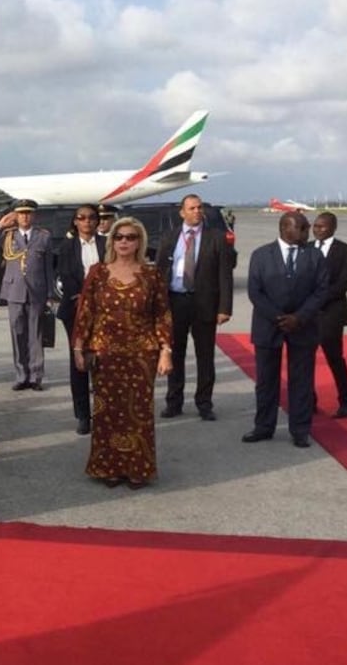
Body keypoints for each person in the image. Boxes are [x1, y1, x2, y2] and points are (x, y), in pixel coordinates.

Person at [72, 217, 172, 489]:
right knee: (107, 412)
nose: (124, 241)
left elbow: (161, 314)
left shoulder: (151, 275)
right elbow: (86, 313)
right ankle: (109, 468)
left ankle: (137, 469)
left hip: (142, 354)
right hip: (105, 353)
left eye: (130, 237)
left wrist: (166, 350)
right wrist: (80, 348)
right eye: (119, 237)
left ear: (140, 241)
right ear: (112, 240)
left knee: (138, 412)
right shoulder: (98, 272)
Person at [242, 211, 329, 448]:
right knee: (266, 380)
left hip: (303, 326)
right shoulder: (261, 255)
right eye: (302, 228)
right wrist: (278, 317)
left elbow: (321, 290)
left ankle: (300, 429)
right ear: (285, 228)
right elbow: (255, 291)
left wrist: (298, 318)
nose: (307, 232)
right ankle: (264, 426)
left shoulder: (314, 256)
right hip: (268, 325)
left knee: (301, 380)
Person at [155, 194, 234, 421]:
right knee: (174, 354)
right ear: (182, 212)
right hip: (176, 301)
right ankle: (174, 401)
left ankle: (204, 403)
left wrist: (224, 308)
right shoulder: (170, 237)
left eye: (200, 208)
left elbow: (224, 275)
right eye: (192, 208)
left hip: (204, 303)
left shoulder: (216, 237)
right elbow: (160, 271)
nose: (197, 211)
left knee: (205, 356)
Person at [56, 204, 107, 435]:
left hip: (104, 309)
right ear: (75, 222)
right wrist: (83, 299)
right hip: (75, 308)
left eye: (91, 218)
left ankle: (104, 411)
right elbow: (66, 276)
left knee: (103, 359)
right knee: (79, 360)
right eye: (82, 218)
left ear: (97, 221)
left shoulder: (107, 244)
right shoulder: (67, 246)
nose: (87, 222)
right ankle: (83, 415)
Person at [0, 198, 55, 390]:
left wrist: (49, 293)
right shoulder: (8, 236)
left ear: (34, 215)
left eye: (28, 213)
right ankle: (21, 375)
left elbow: (48, 268)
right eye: (21, 213)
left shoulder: (43, 236)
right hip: (14, 291)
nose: (25, 217)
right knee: (17, 333)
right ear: (16, 215)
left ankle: (36, 376)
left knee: (36, 335)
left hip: (36, 290)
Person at [312, 211, 347, 418]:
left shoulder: (346, 251)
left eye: (322, 226)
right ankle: (308, 401)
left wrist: (316, 300)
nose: (318, 229)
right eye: (315, 226)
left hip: (331, 314)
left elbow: (343, 284)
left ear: (333, 228)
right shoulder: (305, 249)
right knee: (305, 360)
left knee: (334, 359)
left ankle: (346, 402)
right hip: (306, 316)